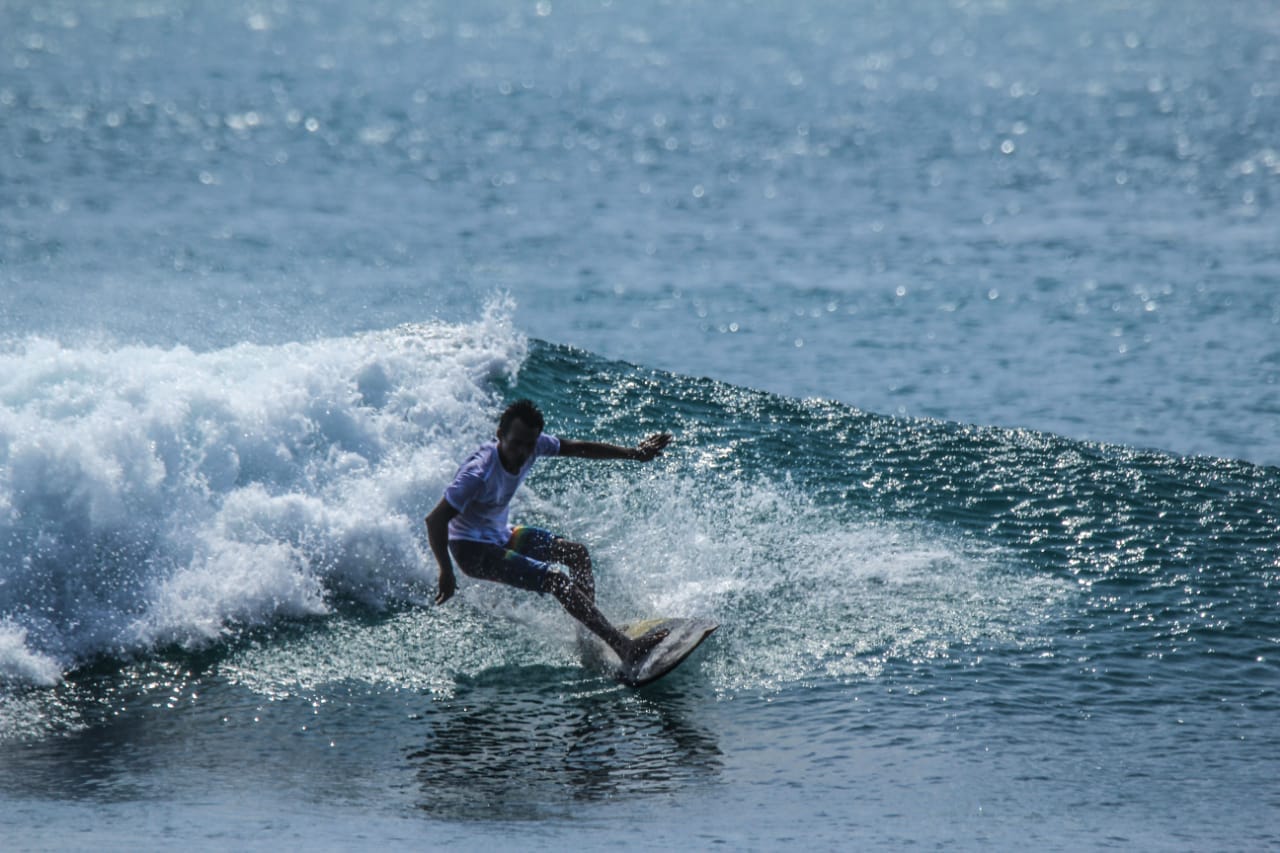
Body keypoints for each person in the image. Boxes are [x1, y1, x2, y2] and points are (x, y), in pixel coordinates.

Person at [424, 399, 674, 667]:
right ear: (500, 435)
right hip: (471, 550)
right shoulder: (478, 473)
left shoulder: (535, 445)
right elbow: (435, 520)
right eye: (516, 443)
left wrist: (633, 453)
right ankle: (623, 647)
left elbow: (580, 448)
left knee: (576, 554)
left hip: (500, 534)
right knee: (556, 580)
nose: (522, 452)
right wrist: (446, 571)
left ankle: (588, 639)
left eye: (529, 444)